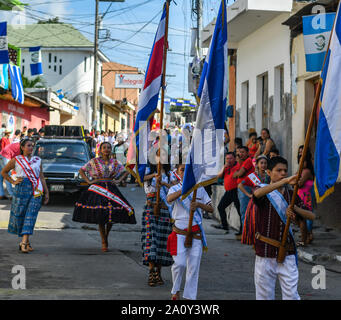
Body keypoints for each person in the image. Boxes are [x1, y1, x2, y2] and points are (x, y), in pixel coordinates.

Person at [247, 156, 315, 300]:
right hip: (265, 251)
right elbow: (256, 195)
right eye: (279, 170)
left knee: (291, 295)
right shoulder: (263, 190)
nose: (283, 173)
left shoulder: (291, 194)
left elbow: (311, 216)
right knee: (264, 296)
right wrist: (283, 182)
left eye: (285, 171)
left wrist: (295, 208)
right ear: (269, 172)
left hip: (287, 252)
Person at [72, 142, 136, 252]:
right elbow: (81, 170)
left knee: (112, 213)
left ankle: (106, 235)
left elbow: (126, 171)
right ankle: (103, 240)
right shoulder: (94, 161)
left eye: (109, 147)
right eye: (104, 148)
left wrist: (119, 180)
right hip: (98, 188)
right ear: (100, 150)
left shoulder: (115, 162)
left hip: (111, 188)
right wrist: (89, 181)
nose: (106, 149)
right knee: (101, 214)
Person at [167, 164, 213, 300]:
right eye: (183, 170)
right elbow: (169, 199)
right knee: (179, 263)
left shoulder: (200, 189)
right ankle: (175, 290)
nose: (187, 173)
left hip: (195, 233)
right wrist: (185, 189)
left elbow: (211, 208)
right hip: (179, 232)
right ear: (178, 173)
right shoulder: (174, 188)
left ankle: (190, 296)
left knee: (193, 267)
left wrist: (199, 205)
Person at [1, 138, 49, 253]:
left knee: (31, 215)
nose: (31, 148)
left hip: (36, 190)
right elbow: (3, 172)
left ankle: (23, 242)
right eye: (28, 145)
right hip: (21, 189)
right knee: (21, 215)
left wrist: (46, 192)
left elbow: (41, 176)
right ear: (22, 147)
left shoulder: (38, 160)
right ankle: (26, 242)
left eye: (32, 146)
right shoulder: (16, 160)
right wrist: (12, 182)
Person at [141, 149, 175, 287]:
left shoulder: (170, 174)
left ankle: (158, 272)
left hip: (164, 210)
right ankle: (151, 271)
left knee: (162, 242)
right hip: (150, 209)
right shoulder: (148, 172)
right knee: (150, 240)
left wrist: (164, 184)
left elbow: (176, 187)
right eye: (158, 155)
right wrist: (154, 176)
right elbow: (140, 178)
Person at [213, 152, 240, 234]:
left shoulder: (238, 166)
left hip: (235, 191)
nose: (228, 160)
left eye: (230, 158)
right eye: (227, 158)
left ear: (235, 158)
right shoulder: (226, 167)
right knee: (220, 207)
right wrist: (224, 167)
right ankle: (224, 225)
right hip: (228, 191)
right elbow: (219, 176)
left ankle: (242, 230)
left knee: (240, 211)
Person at [233, 146, 255, 231]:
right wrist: (237, 173)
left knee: (244, 211)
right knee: (243, 211)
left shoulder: (248, 161)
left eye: (242, 152)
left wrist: (237, 173)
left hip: (246, 187)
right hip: (242, 188)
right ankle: (244, 232)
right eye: (239, 152)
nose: (240, 154)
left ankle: (245, 233)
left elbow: (239, 174)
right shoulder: (241, 162)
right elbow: (234, 175)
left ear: (247, 153)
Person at [297, 146, 315, 246]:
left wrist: (296, 180)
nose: (301, 163)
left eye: (303, 161)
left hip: (306, 196)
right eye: (299, 161)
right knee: (302, 217)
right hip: (301, 196)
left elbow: (299, 183)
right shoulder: (300, 171)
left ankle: (309, 235)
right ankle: (306, 234)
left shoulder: (307, 171)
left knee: (307, 216)